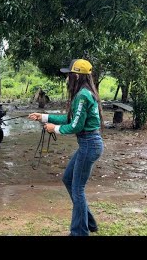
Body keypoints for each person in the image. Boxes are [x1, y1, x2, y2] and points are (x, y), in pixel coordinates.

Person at [28, 59, 104, 236]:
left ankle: (79, 232)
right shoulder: (83, 94)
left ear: (76, 76)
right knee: (68, 179)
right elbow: (70, 119)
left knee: (78, 189)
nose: (67, 79)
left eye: (68, 75)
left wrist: (54, 129)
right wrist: (44, 117)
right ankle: (90, 223)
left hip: (89, 145)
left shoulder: (82, 96)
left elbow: (75, 126)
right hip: (88, 144)